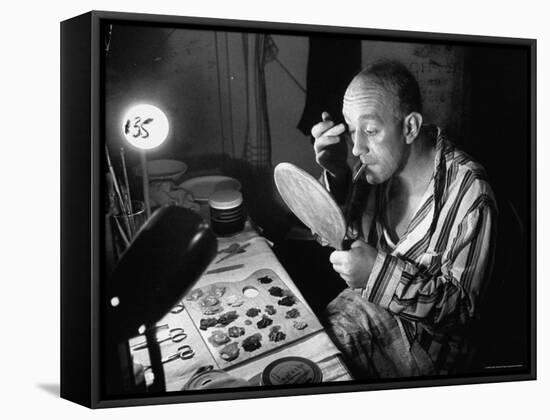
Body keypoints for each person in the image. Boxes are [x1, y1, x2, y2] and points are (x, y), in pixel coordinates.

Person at [311, 60, 497, 378]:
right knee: (306, 354)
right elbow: (334, 235)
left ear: (409, 127)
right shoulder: (375, 169)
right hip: (365, 313)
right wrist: (337, 174)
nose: (356, 148)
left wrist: (378, 274)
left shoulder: (471, 194)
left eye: (369, 131)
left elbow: (464, 312)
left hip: (432, 355)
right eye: (352, 130)